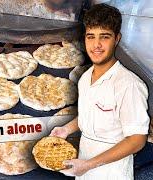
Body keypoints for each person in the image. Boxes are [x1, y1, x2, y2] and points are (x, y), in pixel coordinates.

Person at [49, 3, 150, 180]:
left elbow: (137, 140)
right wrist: (65, 129)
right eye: (91, 37)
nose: (96, 45)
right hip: (82, 166)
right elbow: (90, 114)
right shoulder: (85, 78)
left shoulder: (129, 84)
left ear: (116, 39)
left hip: (112, 172)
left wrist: (90, 164)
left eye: (104, 37)